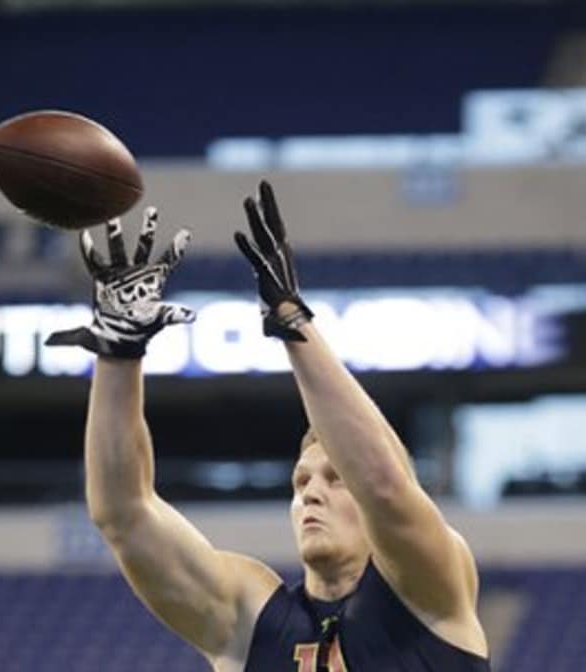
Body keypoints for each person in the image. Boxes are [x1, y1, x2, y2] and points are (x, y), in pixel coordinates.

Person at [46, 182, 490, 671]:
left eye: (335, 478)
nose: (311, 494)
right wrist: (118, 352)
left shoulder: (430, 591)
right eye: (301, 481)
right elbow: (123, 515)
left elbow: (384, 484)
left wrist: (294, 325)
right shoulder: (249, 617)